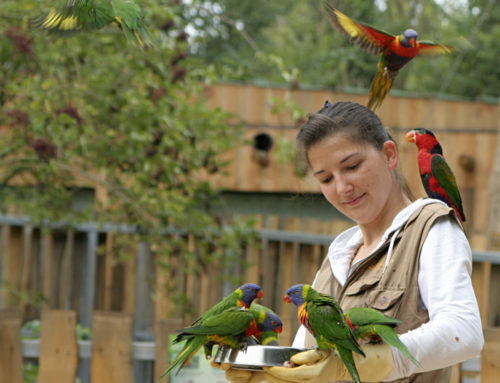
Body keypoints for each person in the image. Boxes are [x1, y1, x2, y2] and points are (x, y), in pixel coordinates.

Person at [215, 101, 484, 383]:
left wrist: (377, 361)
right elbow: (306, 361)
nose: (342, 188)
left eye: (352, 166)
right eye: (326, 178)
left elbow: (463, 331)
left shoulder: (430, 227)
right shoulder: (336, 259)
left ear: (389, 155)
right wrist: (270, 374)